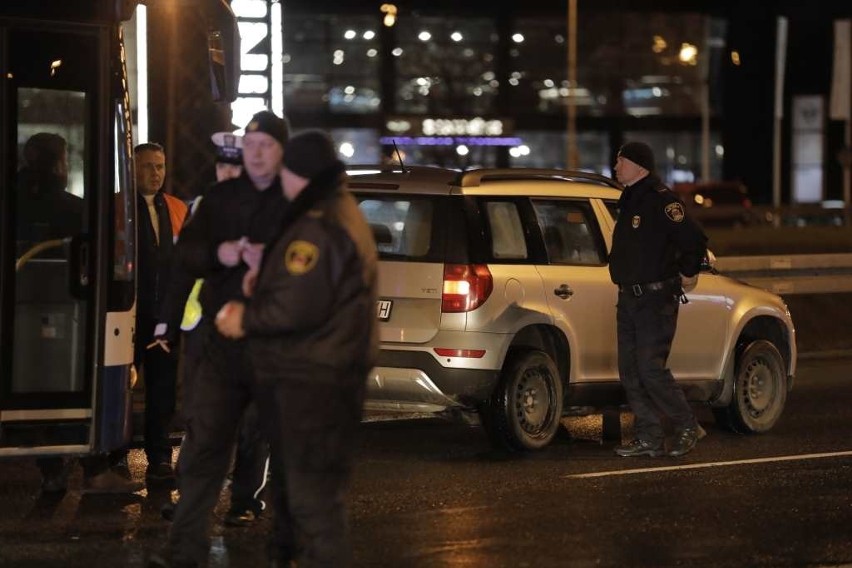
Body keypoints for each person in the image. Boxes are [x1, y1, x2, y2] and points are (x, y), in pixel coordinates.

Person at [215, 129, 378, 566]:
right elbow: (309, 292)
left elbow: (297, 307)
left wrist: (244, 317)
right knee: (294, 501)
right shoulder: (335, 212)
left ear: (300, 174)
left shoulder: (318, 225)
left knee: (313, 507)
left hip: (312, 384)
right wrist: (264, 280)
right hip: (319, 380)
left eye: (286, 169)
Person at [148, 110, 290, 568]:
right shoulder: (211, 204)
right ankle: (182, 549)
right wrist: (167, 322)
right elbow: (184, 263)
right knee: (206, 438)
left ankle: (250, 506)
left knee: (256, 432)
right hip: (215, 339)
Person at [18, 132, 142, 494]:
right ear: (59, 164)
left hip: (21, 305)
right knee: (70, 379)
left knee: (36, 384)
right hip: (65, 306)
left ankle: (51, 470)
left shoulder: (16, 199)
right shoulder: (73, 209)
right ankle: (93, 469)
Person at [158, 130, 270, 527]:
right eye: (222, 165)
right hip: (207, 329)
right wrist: (166, 323)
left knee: (254, 423)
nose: (226, 173)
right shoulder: (203, 206)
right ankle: (190, 498)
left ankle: (244, 500)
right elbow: (183, 268)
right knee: (203, 419)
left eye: (234, 166)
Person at [609, 141, 708, 458]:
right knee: (630, 371)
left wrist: (689, 271)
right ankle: (649, 436)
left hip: (655, 300)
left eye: (620, 162)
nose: (615, 167)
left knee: (650, 369)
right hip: (628, 299)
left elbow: (693, 239)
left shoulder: (661, 201)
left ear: (639, 166)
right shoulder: (629, 199)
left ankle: (687, 425)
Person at [131, 142, 188, 484]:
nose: (156, 173)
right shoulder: (117, 206)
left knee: (163, 390)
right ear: (133, 168)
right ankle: (112, 454)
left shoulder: (178, 208)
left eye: (160, 166)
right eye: (148, 166)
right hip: (128, 315)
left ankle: (159, 457)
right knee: (122, 386)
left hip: (165, 317)